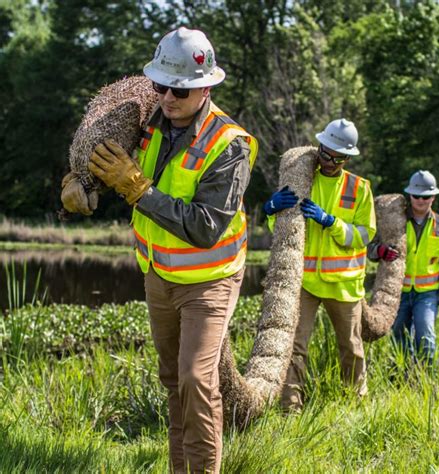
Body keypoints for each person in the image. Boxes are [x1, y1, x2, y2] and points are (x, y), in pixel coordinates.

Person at [62, 27, 258, 473]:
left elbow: (206, 227)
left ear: (205, 86)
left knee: (196, 379)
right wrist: (77, 181)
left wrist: (135, 188)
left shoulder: (230, 145)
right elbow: (100, 154)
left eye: (179, 90)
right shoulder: (148, 119)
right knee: (172, 380)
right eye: (160, 86)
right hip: (158, 272)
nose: (167, 98)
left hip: (210, 276)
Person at [263, 119, 376, 410]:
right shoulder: (302, 178)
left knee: (351, 348)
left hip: (343, 285)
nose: (329, 161)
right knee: (295, 347)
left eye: (337, 158)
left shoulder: (360, 188)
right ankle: (290, 409)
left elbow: (364, 235)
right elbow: (285, 230)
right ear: (319, 146)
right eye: (325, 153)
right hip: (306, 282)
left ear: (348, 158)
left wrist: (331, 222)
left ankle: (356, 407)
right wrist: (270, 209)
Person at [368, 170, 439, 368]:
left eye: (425, 196)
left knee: (425, 333)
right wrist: (380, 251)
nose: (420, 200)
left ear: (433, 197)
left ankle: (425, 376)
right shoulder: (394, 221)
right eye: (416, 195)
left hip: (427, 294)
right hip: (398, 292)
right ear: (409, 195)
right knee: (398, 333)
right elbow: (370, 248)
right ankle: (399, 375)